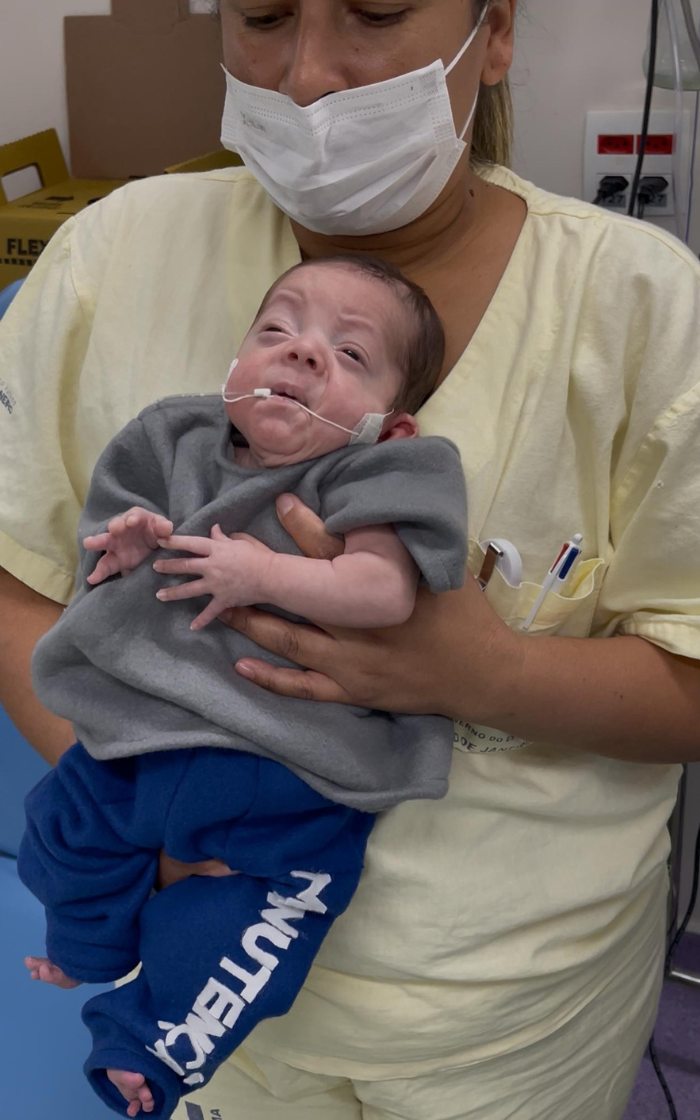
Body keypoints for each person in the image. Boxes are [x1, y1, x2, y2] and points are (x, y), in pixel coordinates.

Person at [1, 1, 699, 1117]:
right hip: (194, 963)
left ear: (497, 31)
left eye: (372, 12)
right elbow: (19, 573)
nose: (308, 76)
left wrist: (485, 675)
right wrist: (155, 810)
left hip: (505, 1013)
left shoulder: (642, 305)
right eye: (263, 17)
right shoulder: (114, 254)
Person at [18, 255, 467, 1119]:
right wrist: (131, 541)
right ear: (232, 366)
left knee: (254, 928)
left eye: (348, 353)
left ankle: (151, 1044)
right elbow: (102, 554)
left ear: (391, 423)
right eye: (277, 330)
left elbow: (383, 590)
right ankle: (85, 946)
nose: (300, 353)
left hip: (283, 767)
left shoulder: (371, 472)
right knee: (58, 829)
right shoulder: (171, 439)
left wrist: (265, 572)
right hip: (141, 736)